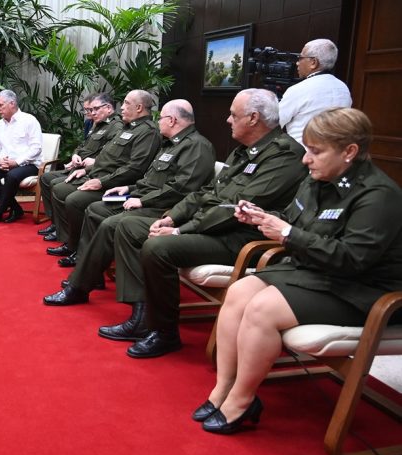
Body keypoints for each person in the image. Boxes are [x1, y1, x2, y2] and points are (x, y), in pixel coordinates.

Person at [195, 108, 402, 434]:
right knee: (238, 293)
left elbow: (352, 259)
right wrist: (265, 217)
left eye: (316, 151)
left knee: (263, 309)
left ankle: (242, 400)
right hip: (314, 274)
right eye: (306, 149)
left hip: (362, 290)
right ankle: (224, 387)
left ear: (349, 152)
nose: (306, 160)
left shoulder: (379, 196)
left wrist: (289, 234)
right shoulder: (317, 180)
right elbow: (293, 219)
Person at [102, 88, 308, 358]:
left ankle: (164, 333)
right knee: (128, 227)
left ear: (254, 118)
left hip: (241, 237)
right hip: (209, 227)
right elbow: (205, 193)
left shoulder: (284, 156)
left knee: (158, 247)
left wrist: (179, 230)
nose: (228, 120)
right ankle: (142, 317)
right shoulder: (244, 151)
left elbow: (232, 209)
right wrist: (171, 216)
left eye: (233, 114)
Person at [44, 99, 215, 304]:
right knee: (95, 209)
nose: (157, 121)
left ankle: (80, 286)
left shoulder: (197, 147)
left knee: (110, 223)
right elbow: (151, 181)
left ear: (172, 120)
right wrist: (129, 189)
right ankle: (89, 276)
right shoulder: (170, 144)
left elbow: (181, 189)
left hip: (162, 208)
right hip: (141, 197)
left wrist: (141, 200)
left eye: (160, 118)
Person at [46, 89, 162, 265]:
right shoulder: (127, 127)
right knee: (60, 188)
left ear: (139, 107)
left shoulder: (148, 132)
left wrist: (101, 182)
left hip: (117, 185)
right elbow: (104, 156)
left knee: (73, 199)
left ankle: (78, 249)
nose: (121, 107)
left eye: (126, 103)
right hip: (98, 176)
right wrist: (86, 171)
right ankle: (73, 244)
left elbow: (135, 168)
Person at [37, 93, 123, 240]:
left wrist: (92, 162)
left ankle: (63, 230)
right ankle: (55, 223)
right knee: (45, 178)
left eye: (95, 109)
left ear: (108, 108)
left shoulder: (116, 127)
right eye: (90, 110)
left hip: (93, 171)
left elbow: (109, 155)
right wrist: (75, 155)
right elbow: (83, 145)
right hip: (79, 166)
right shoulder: (97, 124)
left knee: (56, 185)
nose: (92, 113)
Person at [0, 90, 43, 225]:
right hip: (5, 164)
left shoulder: (29, 120)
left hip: (29, 164)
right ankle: (16, 209)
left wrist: (16, 162)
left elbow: (36, 148)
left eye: (0, 105)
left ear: (12, 103)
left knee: (12, 176)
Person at [279, 38, 351, 147]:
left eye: (300, 58)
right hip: (333, 155)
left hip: (301, 155)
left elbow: (274, 123)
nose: (297, 63)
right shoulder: (343, 88)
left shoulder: (299, 89)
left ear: (313, 62)